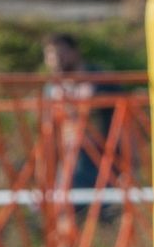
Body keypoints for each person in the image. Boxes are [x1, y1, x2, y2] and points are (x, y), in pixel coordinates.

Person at [42, 32, 119, 222]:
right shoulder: (52, 89)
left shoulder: (101, 82)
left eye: (60, 53)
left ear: (75, 52)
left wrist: (129, 165)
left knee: (106, 221)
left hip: (103, 162)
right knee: (64, 217)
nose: (56, 60)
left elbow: (123, 124)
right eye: (50, 55)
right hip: (68, 165)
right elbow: (49, 134)